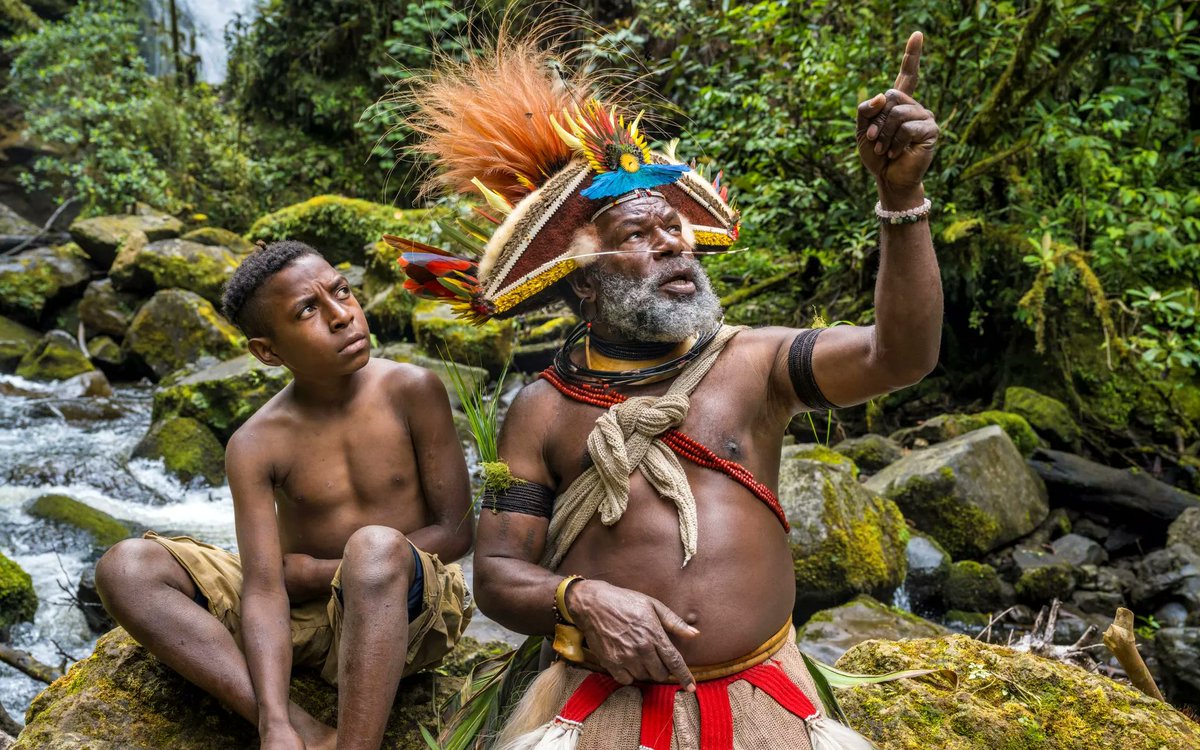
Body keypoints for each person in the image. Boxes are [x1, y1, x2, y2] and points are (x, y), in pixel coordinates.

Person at [386, 30, 939, 750]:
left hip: (765, 697)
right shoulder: (541, 409)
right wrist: (578, 598)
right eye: (642, 235)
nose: (676, 243)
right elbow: (494, 574)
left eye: (676, 228)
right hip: (595, 701)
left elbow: (898, 356)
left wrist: (902, 196)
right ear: (585, 279)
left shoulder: (758, 362)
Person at [94, 240, 474, 750]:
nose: (343, 316)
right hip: (305, 622)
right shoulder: (255, 443)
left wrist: (321, 571)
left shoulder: (413, 389)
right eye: (308, 310)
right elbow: (266, 588)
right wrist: (272, 719)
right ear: (267, 352)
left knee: (375, 546)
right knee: (127, 567)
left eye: (341, 291)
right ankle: (301, 728)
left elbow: (457, 531)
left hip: (405, 614)